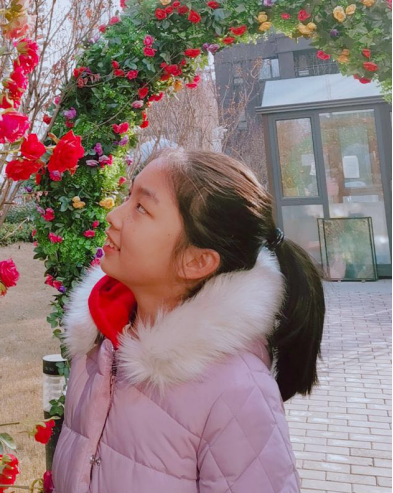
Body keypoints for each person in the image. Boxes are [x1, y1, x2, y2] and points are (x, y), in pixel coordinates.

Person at [52, 150, 325, 493]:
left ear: (197, 262)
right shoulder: (99, 343)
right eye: (128, 197)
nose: (114, 216)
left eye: (142, 208)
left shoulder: (237, 392)